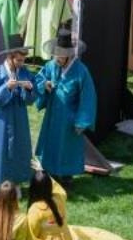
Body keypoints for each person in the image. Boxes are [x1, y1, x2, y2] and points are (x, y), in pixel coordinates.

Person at [34, 29, 97, 187]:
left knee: (67, 148)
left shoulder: (81, 71)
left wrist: (82, 122)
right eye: (55, 54)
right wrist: (44, 85)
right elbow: (39, 78)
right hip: (52, 115)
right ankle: (50, 173)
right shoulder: (51, 66)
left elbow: (88, 98)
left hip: (69, 119)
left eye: (60, 55)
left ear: (69, 54)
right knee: (51, 144)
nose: (57, 58)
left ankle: (67, 177)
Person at [0, 35, 36, 194]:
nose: (21, 63)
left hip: (19, 118)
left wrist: (30, 89)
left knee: (19, 148)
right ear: (9, 57)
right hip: (1, 119)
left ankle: (16, 183)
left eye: (23, 60)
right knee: (0, 148)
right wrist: (7, 88)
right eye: (18, 60)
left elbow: (31, 100)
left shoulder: (24, 73)